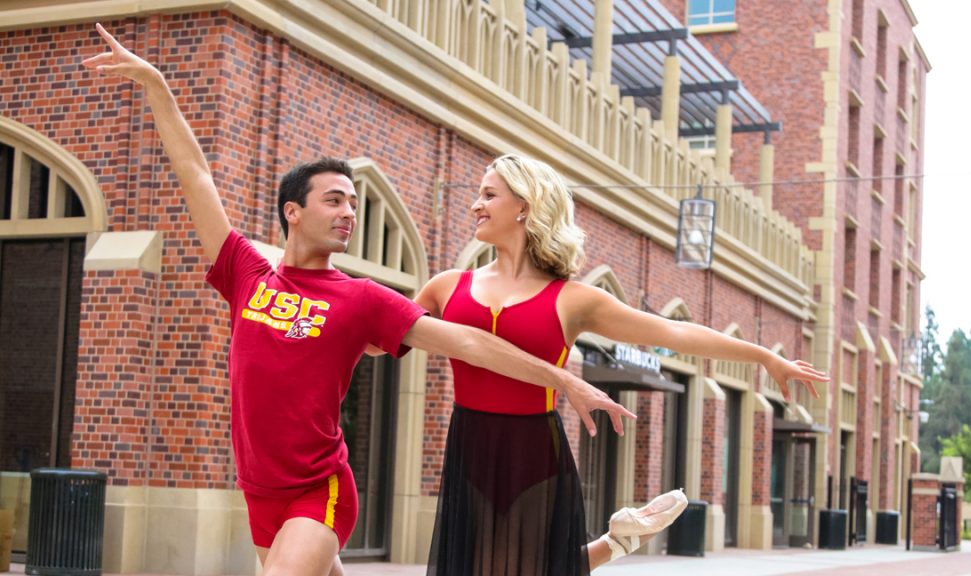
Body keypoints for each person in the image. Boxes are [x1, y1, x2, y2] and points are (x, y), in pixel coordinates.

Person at [81, 24, 636, 576]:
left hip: (318, 489)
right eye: (334, 200)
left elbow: (465, 341)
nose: (349, 211)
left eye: (353, 201)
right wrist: (155, 85)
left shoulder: (364, 299)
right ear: (293, 212)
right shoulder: (246, 272)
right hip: (257, 488)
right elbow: (197, 175)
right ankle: (612, 545)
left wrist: (563, 380)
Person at [409, 154, 830, 575]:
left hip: (532, 447)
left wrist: (764, 356)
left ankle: (616, 541)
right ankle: (618, 541)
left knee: (520, 567)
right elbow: (380, 334)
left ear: (525, 206)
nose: (474, 205)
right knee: (479, 566)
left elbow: (673, 333)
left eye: (488, 195)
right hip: (469, 440)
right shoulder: (446, 286)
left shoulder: (572, 299)